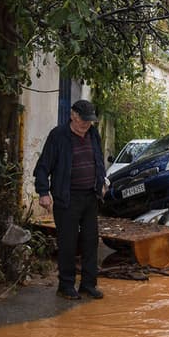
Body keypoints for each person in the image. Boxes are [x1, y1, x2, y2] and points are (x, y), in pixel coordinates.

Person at [34, 99, 107, 300]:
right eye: (83, 120)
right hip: (67, 198)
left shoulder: (92, 134)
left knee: (91, 241)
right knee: (68, 242)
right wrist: (43, 193)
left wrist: (102, 182)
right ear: (73, 115)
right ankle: (66, 286)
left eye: (90, 121)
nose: (87, 124)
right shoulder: (58, 136)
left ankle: (88, 284)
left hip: (91, 196)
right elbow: (43, 167)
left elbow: (98, 160)